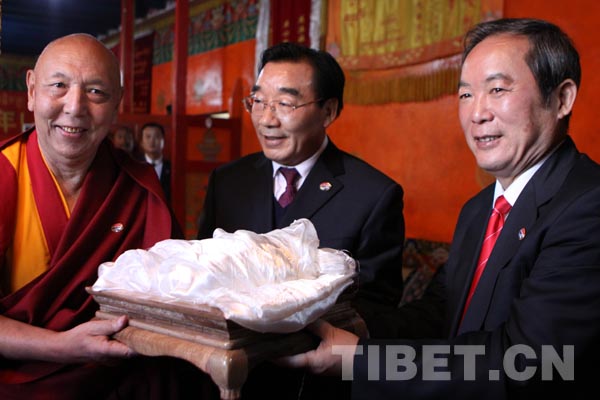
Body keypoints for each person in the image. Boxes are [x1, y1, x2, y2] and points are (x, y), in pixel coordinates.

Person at [282, 18, 600, 399]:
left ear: (562, 98)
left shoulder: (587, 205)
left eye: (497, 89)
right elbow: (439, 313)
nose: (477, 113)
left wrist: (362, 359)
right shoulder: (480, 209)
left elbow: (533, 362)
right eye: (466, 95)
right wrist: (352, 327)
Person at [0, 33, 185, 399]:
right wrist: (62, 347)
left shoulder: (136, 187)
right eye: (58, 86)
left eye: (96, 92)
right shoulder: (4, 176)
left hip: (117, 379)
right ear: (32, 90)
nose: (75, 107)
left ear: (117, 104)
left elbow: (173, 301)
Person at [197, 42, 405, 333]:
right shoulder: (228, 181)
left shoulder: (373, 195)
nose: (267, 120)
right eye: (258, 101)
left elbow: (376, 305)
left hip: (314, 366)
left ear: (328, 112)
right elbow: (203, 272)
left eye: (284, 104)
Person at [139, 122, 172, 203]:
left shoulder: (172, 168)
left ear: (163, 141)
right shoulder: (136, 166)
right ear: (141, 142)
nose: (152, 141)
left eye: (157, 137)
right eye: (148, 137)